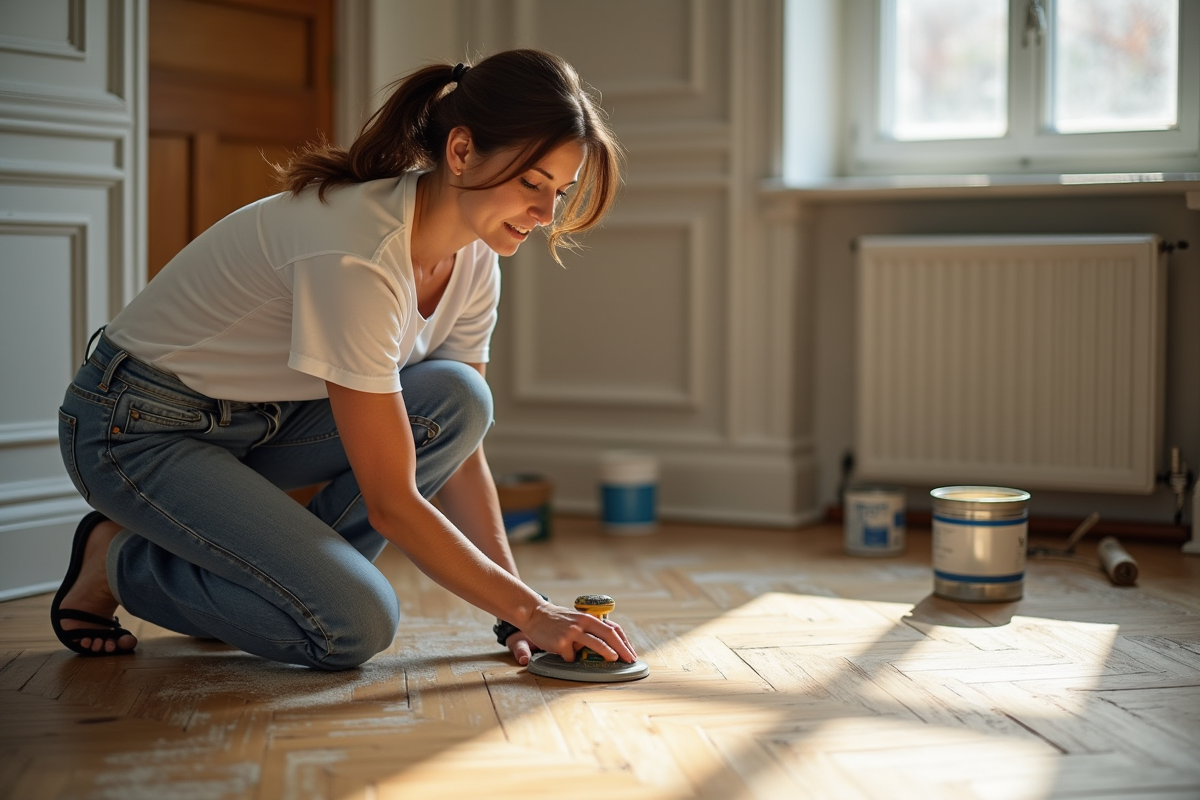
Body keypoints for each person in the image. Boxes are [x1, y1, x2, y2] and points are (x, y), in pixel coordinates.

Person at [50, 49, 637, 671]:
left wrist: (516, 611)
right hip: (137, 428)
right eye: (531, 184)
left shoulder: (476, 255)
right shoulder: (359, 253)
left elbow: (462, 452)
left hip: (265, 424)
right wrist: (534, 613)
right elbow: (391, 503)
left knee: (460, 398)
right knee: (352, 626)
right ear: (461, 152)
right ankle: (117, 563)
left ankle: (273, 589)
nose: (546, 216)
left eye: (560, 192)